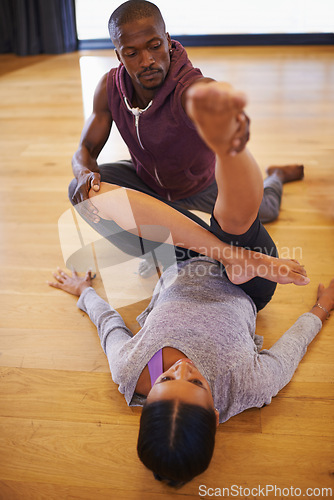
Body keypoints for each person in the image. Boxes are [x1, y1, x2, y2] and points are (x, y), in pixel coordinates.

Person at [50, 81, 333, 487]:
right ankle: (233, 151)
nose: (181, 368)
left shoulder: (129, 371)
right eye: (197, 382)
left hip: (180, 262)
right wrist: (322, 307)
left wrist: (84, 292)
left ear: (147, 404)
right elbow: (289, 350)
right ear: (215, 413)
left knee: (91, 196)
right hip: (244, 286)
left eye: (166, 380)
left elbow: (109, 325)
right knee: (238, 223)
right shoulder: (245, 387)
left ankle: (229, 245)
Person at [69, 0, 304, 276]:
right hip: (149, 185)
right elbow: (85, 147)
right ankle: (165, 253)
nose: (147, 61)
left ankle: (275, 177)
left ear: (167, 41)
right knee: (83, 190)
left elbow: (204, 94)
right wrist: (84, 171)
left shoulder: (188, 88)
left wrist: (225, 113)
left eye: (154, 46)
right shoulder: (109, 87)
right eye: (132, 53)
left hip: (202, 187)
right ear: (119, 56)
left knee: (265, 210)